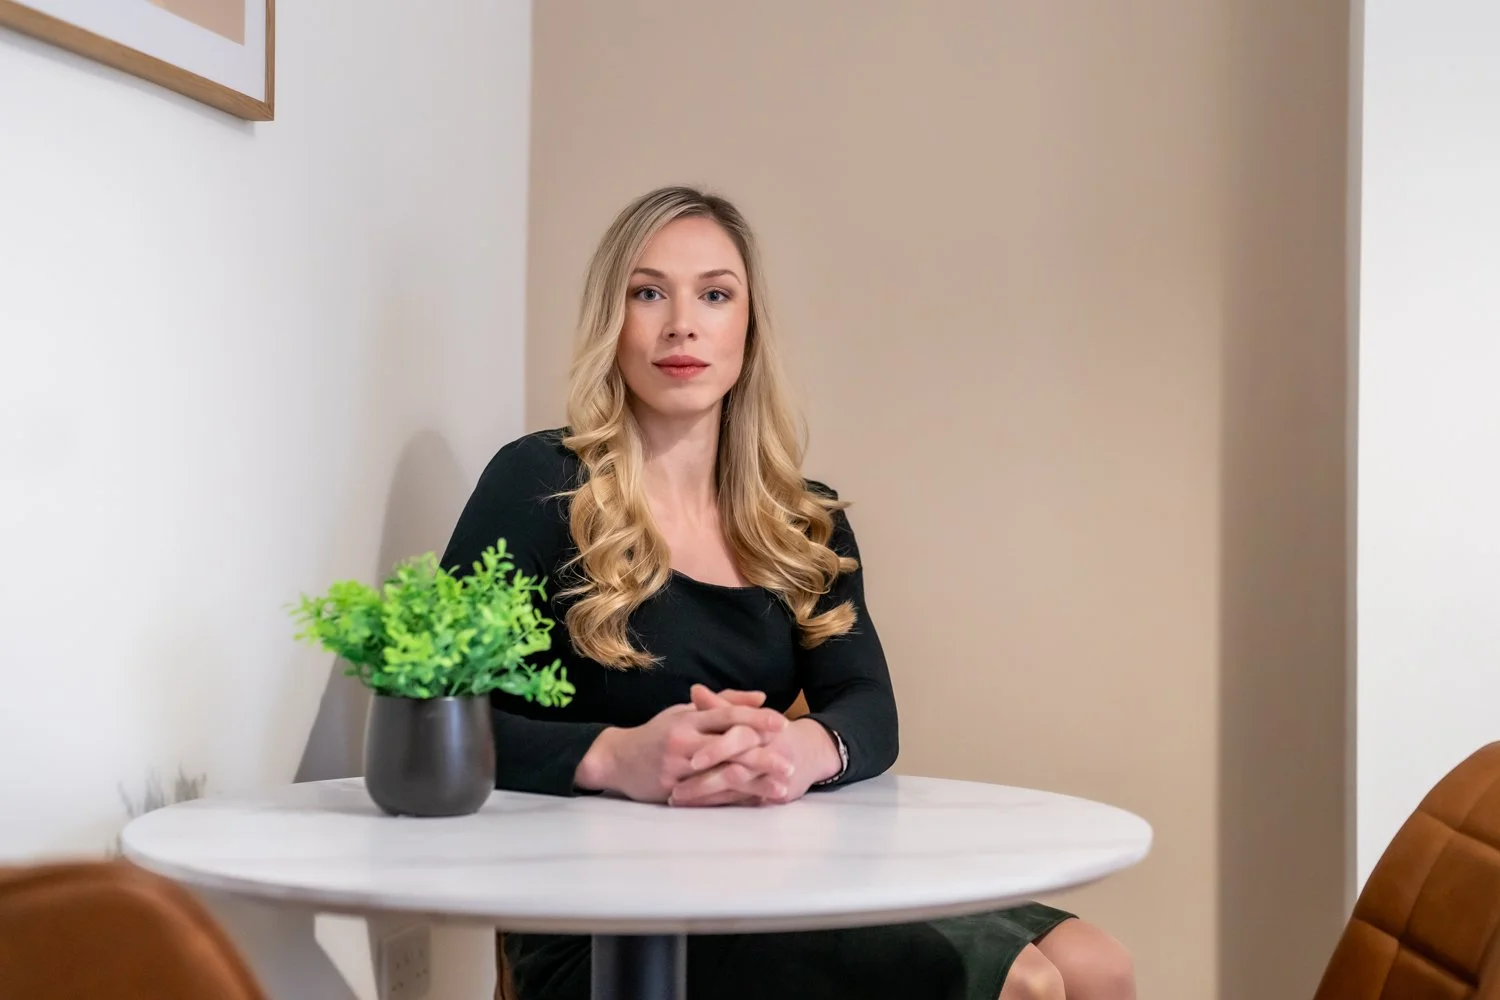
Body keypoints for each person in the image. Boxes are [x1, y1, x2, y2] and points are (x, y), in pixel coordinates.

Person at [440, 186, 1136, 1000]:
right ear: (612, 320)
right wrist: (616, 756)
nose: (682, 325)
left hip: (771, 877)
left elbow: (867, 704)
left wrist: (794, 753)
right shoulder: (540, 482)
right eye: (648, 293)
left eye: (715, 295)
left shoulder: (801, 519)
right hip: (600, 913)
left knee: (1096, 965)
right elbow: (428, 721)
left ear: (749, 326)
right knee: (1023, 984)